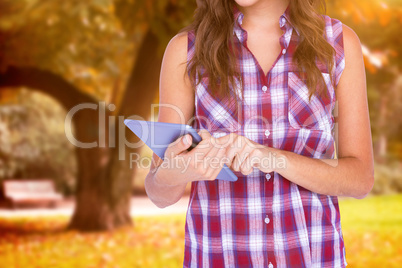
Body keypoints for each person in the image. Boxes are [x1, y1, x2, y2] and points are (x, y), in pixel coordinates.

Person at [144, 0, 374, 267]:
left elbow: (360, 179)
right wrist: (177, 171)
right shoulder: (186, 50)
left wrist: (271, 158)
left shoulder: (338, 43)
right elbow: (158, 191)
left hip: (313, 258)